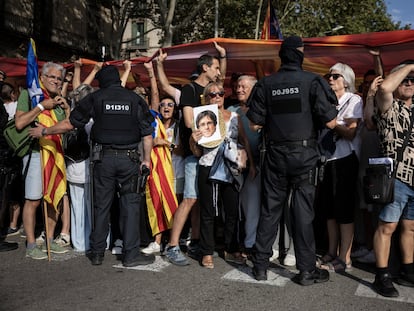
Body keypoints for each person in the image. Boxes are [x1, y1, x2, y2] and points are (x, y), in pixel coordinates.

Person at [30, 65, 155, 267]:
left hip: (103, 160)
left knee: (101, 205)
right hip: (129, 160)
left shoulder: (96, 98)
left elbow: (71, 123)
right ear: (118, 80)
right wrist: (146, 160)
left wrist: (45, 131)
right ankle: (131, 255)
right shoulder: (135, 99)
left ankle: (97, 253)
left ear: (101, 81)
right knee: (130, 207)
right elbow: (147, 134)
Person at [246, 36, 338, 285]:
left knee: (270, 211)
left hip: (275, 155)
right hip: (305, 156)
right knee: (303, 214)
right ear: (300, 54)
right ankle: (307, 270)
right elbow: (330, 122)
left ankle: (260, 266)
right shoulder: (313, 82)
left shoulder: (266, 85)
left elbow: (254, 124)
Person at [164, 43, 226, 266]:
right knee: (190, 198)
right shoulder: (190, 90)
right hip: (194, 154)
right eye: (216, 67)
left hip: (207, 157)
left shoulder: (211, 91)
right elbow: (190, 122)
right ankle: (172, 245)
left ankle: (196, 241)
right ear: (205, 68)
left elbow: (221, 82)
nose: (218, 73)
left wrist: (224, 55)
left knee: (199, 202)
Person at [190, 81, 253, 268]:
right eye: (212, 94)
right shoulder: (201, 118)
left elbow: (244, 141)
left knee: (232, 210)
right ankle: (207, 251)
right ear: (206, 97)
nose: (217, 96)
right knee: (208, 211)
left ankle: (231, 248)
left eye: (220, 93)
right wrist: (193, 140)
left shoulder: (234, 116)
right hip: (207, 165)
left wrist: (252, 163)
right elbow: (196, 152)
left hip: (230, 167)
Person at [15, 62, 70, 260]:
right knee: (34, 200)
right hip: (36, 154)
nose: (56, 81)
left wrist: (67, 109)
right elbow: (20, 123)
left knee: (54, 198)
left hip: (55, 154)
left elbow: (67, 127)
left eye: (59, 78)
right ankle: (31, 244)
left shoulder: (58, 99)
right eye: (52, 77)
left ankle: (48, 240)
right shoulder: (28, 95)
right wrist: (41, 106)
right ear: (43, 77)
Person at [371, 61, 414, 297]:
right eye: (405, 79)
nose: (409, 83)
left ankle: (408, 270)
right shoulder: (389, 105)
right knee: (387, 226)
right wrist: (409, 66)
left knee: (411, 227)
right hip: (395, 175)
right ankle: (382, 274)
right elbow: (385, 88)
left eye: (413, 80)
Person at [317, 63, 363, 273]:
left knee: (344, 210)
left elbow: (352, 131)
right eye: (329, 76)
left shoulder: (354, 100)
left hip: (345, 159)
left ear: (346, 80)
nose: (331, 79)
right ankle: (331, 250)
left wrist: (333, 124)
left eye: (335, 76)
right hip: (327, 159)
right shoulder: (327, 101)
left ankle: (345, 256)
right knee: (329, 210)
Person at [227, 75, 260, 259]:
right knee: (236, 207)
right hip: (235, 166)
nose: (239, 89)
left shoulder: (261, 110)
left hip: (257, 164)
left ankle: (250, 243)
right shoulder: (231, 110)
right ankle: (237, 242)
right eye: (238, 86)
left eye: (243, 87)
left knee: (252, 205)